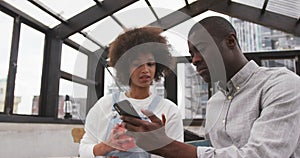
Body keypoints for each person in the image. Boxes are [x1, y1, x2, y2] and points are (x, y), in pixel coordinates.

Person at [121, 16, 300, 158]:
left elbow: (261, 155)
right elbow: (214, 150)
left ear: (231, 42)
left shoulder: (281, 85)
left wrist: (166, 146)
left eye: (202, 49)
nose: (195, 60)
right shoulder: (215, 102)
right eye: (191, 54)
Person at [79, 27, 184, 158]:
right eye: (137, 64)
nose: (145, 70)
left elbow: (178, 154)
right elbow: (84, 149)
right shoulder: (104, 105)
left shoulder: (169, 110)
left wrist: (160, 143)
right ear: (125, 67)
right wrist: (108, 146)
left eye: (150, 64)